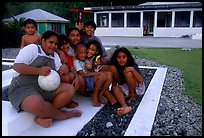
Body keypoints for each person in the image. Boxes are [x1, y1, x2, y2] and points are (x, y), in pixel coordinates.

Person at [8, 30, 82, 128]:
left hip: (44, 89)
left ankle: (42, 115)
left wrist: (64, 68)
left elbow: (59, 73)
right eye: (50, 42)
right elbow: (17, 66)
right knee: (36, 103)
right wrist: (38, 71)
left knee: (69, 89)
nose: (53, 46)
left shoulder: (55, 56)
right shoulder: (33, 49)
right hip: (23, 88)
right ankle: (63, 115)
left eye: (56, 44)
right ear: (43, 41)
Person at [110, 47, 145, 116]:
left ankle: (132, 94)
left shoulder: (132, 65)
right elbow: (114, 82)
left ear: (128, 58)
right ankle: (125, 106)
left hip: (138, 87)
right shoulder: (116, 67)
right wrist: (113, 93)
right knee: (115, 88)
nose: (121, 60)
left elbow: (141, 80)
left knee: (128, 73)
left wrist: (132, 69)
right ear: (116, 58)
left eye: (124, 57)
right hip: (127, 86)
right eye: (119, 57)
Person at [85, 40, 117, 105]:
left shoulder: (95, 58)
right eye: (88, 48)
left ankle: (100, 94)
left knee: (110, 74)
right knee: (102, 76)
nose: (89, 51)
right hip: (88, 77)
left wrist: (97, 64)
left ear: (96, 52)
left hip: (94, 74)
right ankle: (95, 95)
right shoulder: (83, 57)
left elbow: (98, 66)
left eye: (92, 50)